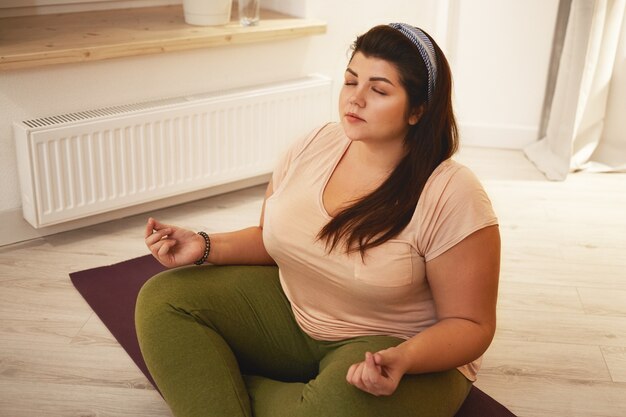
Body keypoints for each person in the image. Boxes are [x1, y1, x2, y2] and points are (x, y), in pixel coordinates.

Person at [136, 22, 500, 417]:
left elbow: (471, 324)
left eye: (378, 90)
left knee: (340, 406)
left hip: (392, 350)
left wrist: (404, 359)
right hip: (295, 314)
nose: (355, 100)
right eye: (350, 81)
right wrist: (205, 245)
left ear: (418, 110)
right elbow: (272, 239)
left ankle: (228, 386)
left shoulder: (452, 193)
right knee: (163, 300)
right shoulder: (313, 144)